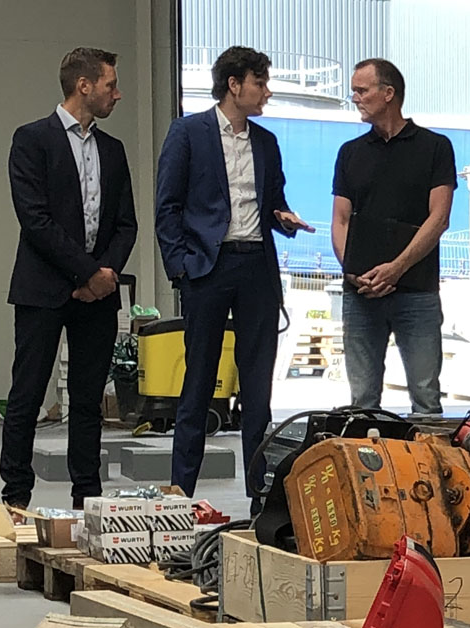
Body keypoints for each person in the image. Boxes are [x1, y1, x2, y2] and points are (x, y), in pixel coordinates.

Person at [155, 46, 313, 508]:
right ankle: (181, 493)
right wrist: (180, 267)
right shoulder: (188, 133)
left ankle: (259, 496)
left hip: (256, 266)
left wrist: (285, 219)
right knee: (199, 381)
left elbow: (274, 200)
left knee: (258, 384)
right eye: (260, 83)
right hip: (208, 266)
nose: (267, 92)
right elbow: (167, 206)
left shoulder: (266, 142)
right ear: (234, 85)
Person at [1, 48, 137, 520]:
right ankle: (16, 496)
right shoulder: (31, 140)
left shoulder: (113, 150)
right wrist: (87, 274)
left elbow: (126, 225)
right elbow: (35, 220)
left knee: (87, 401)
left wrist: (105, 275)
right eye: (110, 85)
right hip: (43, 290)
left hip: (98, 294)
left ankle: (87, 498)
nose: (117, 94)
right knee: (27, 394)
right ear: (84, 86)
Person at [331, 59, 456, 416]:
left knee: (426, 398)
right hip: (361, 294)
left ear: (388, 93)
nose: (355, 98)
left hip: (417, 292)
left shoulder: (435, 147)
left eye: (362, 90)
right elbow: (340, 220)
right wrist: (352, 270)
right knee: (362, 402)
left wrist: (396, 268)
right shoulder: (350, 153)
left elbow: (439, 218)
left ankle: (428, 454)